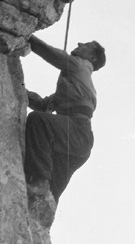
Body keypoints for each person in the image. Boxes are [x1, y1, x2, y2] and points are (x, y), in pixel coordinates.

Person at [24, 34, 106, 203]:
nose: (80, 42)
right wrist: (22, 92)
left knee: (38, 121)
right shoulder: (77, 84)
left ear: (92, 57)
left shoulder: (80, 66)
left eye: (86, 45)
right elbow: (44, 105)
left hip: (75, 130)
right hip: (79, 142)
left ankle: (39, 179)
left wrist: (26, 36)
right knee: (49, 197)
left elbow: (51, 54)